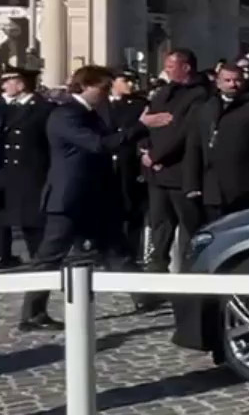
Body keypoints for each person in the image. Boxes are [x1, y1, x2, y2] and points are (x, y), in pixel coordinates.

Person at [21, 67, 170, 327]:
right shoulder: (66, 114)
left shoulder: (89, 114)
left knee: (117, 250)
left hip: (95, 196)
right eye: (102, 88)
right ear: (85, 86)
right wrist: (140, 126)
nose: (105, 94)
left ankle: (144, 295)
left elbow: (109, 140)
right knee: (49, 257)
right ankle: (32, 314)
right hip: (69, 198)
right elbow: (99, 144)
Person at [183, 62, 249, 223]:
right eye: (227, 80)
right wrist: (192, 184)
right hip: (212, 189)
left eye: (237, 80)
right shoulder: (205, 109)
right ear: (218, 82)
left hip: (244, 188)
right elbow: (194, 147)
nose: (232, 85)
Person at [142, 49, 210, 278]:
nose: (167, 70)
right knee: (159, 225)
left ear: (186, 67)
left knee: (190, 226)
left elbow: (183, 131)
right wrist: (145, 151)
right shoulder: (164, 92)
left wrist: (157, 155)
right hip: (157, 172)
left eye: (171, 65)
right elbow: (146, 121)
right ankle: (156, 271)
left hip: (180, 171)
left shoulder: (200, 95)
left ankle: (193, 272)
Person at [0, 69, 52, 269]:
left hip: (30, 172)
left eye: (7, 81)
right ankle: (3, 256)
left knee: (30, 220)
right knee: (3, 217)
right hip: (5, 171)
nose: (4, 86)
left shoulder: (42, 108)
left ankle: (40, 259)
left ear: (20, 84)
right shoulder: (5, 107)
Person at [107, 72, 150, 259]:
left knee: (133, 209)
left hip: (130, 165)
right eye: (125, 80)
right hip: (107, 165)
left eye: (133, 80)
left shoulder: (139, 105)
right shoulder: (101, 106)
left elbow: (145, 133)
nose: (131, 84)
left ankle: (133, 252)